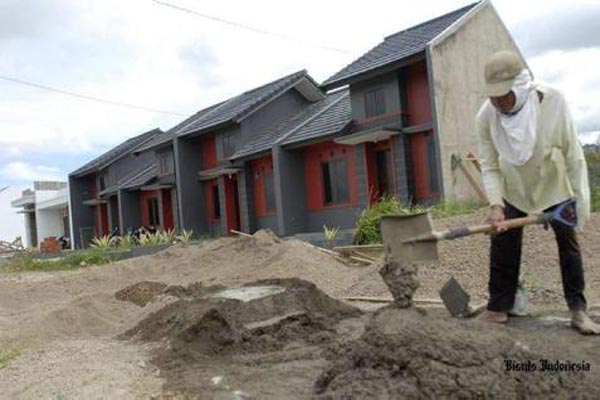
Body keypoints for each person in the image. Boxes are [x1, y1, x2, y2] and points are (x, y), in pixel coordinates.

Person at [476, 50, 600, 334]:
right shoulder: (486, 116)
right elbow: (489, 165)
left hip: (553, 184)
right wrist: (496, 205)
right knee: (503, 240)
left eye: (503, 96)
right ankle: (498, 308)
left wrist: (580, 203)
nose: (497, 103)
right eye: (492, 97)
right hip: (514, 186)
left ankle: (579, 311)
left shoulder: (553, 102)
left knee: (568, 244)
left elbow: (573, 155)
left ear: (520, 85)